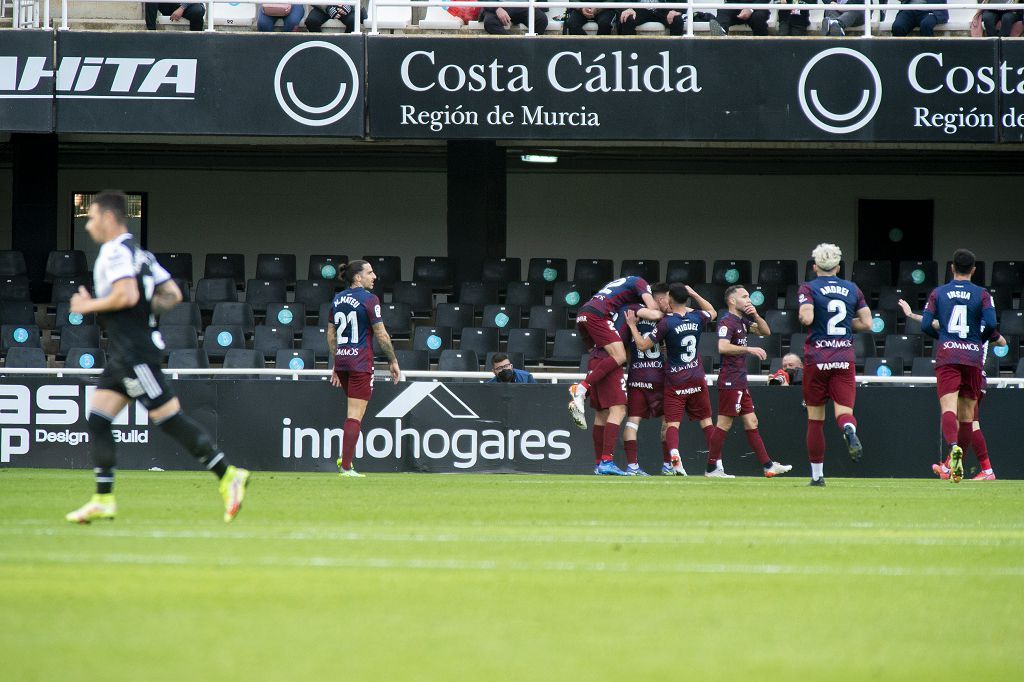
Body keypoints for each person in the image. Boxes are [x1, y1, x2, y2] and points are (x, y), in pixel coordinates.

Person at [65, 191, 249, 524]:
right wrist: (142, 314)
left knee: (168, 419)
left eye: (91, 218)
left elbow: (126, 294)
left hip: (134, 352)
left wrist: (88, 305)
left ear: (108, 218)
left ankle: (227, 474)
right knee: (98, 418)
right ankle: (103, 498)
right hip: (125, 351)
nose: (89, 226)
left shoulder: (113, 252)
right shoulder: (141, 255)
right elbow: (172, 294)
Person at [918, 249, 1006, 483]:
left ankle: (953, 447)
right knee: (967, 416)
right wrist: (977, 340)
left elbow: (926, 324)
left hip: (949, 355)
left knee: (948, 409)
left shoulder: (939, 292)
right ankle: (957, 459)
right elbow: (992, 323)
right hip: (973, 358)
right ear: (974, 270)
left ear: (952, 268)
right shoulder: (983, 294)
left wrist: (944, 338)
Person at [797, 243, 873, 486]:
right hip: (844, 358)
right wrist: (845, 327)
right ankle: (849, 430)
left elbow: (807, 317)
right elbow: (868, 323)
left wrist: (807, 316)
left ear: (815, 266)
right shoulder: (852, 288)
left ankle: (817, 476)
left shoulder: (808, 288)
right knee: (844, 413)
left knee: (815, 419)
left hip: (817, 359)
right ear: (838, 267)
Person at [568, 276, 661, 477]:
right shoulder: (634, 306)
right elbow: (655, 314)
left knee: (602, 414)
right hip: (609, 361)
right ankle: (607, 461)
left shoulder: (614, 305)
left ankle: (599, 463)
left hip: (595, 355)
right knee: (618, 410)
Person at [898, 296, 998, 481]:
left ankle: (985, 469)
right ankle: (948, 465)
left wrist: (912, 315)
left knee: (969, 422)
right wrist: (984, 341)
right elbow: (1001, 342)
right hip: (978, 375)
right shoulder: (980, 325)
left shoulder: (962, 324)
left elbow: (935, 324)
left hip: (970, 372)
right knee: (965, 423)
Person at [627, 283, 722, 477]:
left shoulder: (666, 323)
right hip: (696, 377)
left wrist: (631, 327)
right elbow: (712, 311)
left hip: (675, 380)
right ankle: (716, 464)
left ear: (669, 299)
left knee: (672, 424)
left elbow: (643, 345)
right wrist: (694, 292)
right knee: (706, 423)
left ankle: (674, 457)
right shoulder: (697, 316)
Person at [328, 260, 401, 478]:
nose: (374, 276)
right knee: (355, 416)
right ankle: (346, 466)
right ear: (358, 277)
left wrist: (336, 363)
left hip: (342, 362)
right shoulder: (370, 300)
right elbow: (381, 334)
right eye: (370, 272)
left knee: (355, 413)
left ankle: (345, 456)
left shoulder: (337, 299)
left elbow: (331, 335)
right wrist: (393, 360)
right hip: (360, 363)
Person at [712, 285, 793, 478]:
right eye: (744, 296)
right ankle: (712, 467)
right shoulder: (727, 322)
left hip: (740, 380)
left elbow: (766, 331)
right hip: (730, 379)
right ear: (732, 301)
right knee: (724, 424)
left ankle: (768, 465)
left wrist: (756, 315)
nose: (748, 300)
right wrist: (749, 349)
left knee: (752, 421)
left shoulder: (743, 322)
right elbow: (722, 347)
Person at [620, 283, 672, 476]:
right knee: (667, 422)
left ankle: (632, 466)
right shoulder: (665, 319)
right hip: (659, 377)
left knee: (632, 423)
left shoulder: (632, 315)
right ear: (659, 299)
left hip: (637, 376)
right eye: (667, 297)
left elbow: (624, 349)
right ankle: (668, 465)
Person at [618, 1, 686, 36]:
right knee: (626, 18)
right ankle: (628, 54)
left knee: (677, 20)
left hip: (664, 8)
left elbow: (682, 3)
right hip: (638, 8)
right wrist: (628, 7)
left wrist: (677, 10)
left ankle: (675, 54)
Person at [481, 2, 548, 34]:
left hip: (525, 5)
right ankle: (513, 43)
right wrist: (496, 8)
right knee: (490, 22)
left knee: (541, 19)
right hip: (500, 6)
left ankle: (531, 46)